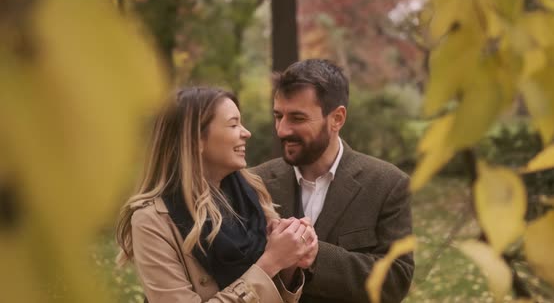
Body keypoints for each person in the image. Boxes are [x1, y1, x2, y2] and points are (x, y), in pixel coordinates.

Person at [116, 87, 318, 303]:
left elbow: (274, 292)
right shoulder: (151, 221)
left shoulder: (251, 194)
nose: (246, 132)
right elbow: (265, 273)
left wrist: (290, 258)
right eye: (233, 124)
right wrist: (271, 262)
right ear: (196, 140)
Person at [251, 59, 414, 303]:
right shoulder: (253, 183)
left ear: (337, 118)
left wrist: (316, 257)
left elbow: (395, 281)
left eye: (297, 118)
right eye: (278, 116)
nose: (282, 130)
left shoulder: (388, 184)